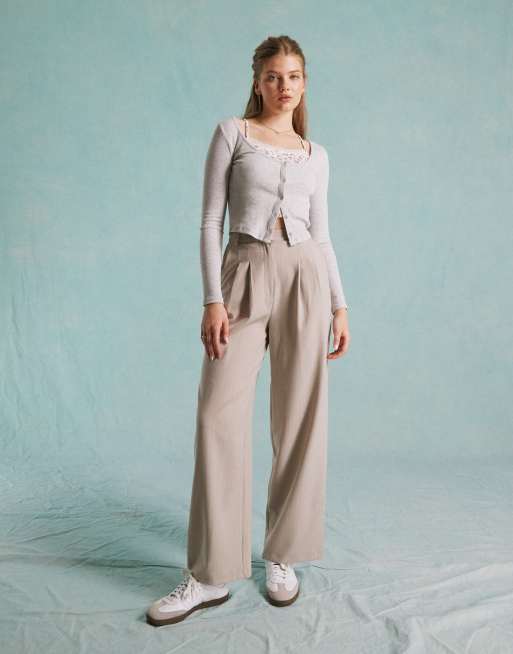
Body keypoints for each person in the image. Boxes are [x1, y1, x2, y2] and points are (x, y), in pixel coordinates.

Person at [146, 34, 351, 627]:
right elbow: (210, 220)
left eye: (294, 76)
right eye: (273, 76)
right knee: (218, 414)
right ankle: (211, 573)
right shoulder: (232, 134)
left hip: (306, 278)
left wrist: (340, 304)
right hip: (242, 274)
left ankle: (282, 554)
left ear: (305, 83)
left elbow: (323, 236)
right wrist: (212, 298)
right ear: (257, 82)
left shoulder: (316, 155)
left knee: (300, 417)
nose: (284, 86)